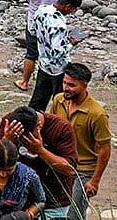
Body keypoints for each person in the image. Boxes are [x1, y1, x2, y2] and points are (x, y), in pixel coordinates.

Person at [48, 63, 112, 220]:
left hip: (83, 170)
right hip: (61, 164)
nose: (66, 88)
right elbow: (50, 126)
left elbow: (105, 149)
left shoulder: (97, 114)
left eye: (71, 85)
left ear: (84, 85)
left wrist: (95, 180)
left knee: (74, 215)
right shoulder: (59, 100)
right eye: (64, 82)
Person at [0, 106, 78, 217]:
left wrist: (40, 150)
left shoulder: (61, 128)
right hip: (17, 201)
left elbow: (70, 169)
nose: (25, 141)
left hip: (53, 202)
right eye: (21, 138)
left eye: (29, 136)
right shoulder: (10, 123)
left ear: (39, 126)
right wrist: (6, 141)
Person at [15, 0, 66, 92]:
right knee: (50, 53)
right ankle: (50, 84)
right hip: (52, 26)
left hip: (34, 24)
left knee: (31, 54)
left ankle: (25, 82)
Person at [29, 0, 83, 112]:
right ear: (68, 6)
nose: (72, 12)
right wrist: (71, 43)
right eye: (73, 9)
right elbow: (57, 53)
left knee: (38, 100)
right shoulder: (59, 24)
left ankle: (30, 120)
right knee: (61, 102)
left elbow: (32, 31)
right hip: (58, 69)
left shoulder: (42, 10)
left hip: (43, 63)